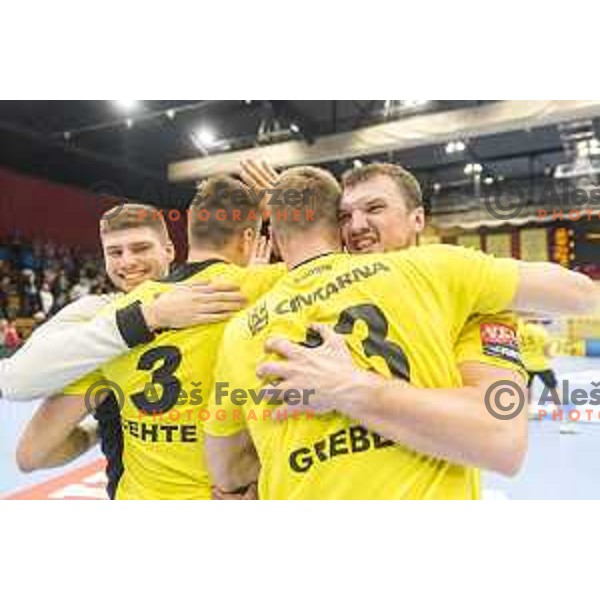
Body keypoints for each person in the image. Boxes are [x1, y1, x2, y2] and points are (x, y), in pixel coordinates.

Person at [204, 166, 597, 500]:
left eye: (375, 208)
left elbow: (501, 438)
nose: (357, 226)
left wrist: (349, 387)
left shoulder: (456, 286)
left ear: (418, 219)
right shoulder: (270, 298)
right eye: (343, 216)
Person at [18, 178, 284, 499]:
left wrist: (95, 430)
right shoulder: (268, 289)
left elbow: (32, 453)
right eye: (115, 252)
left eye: (140, 248)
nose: (128, 261)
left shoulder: (107, 325)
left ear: (175, 245)